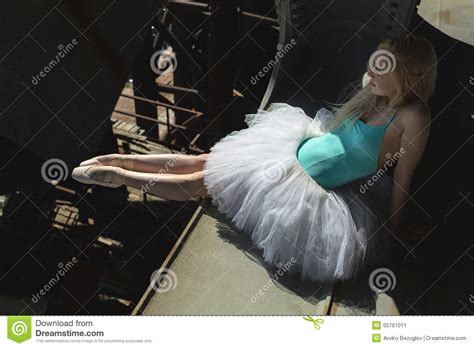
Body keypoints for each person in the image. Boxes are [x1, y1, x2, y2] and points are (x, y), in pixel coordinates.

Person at [72, 35, 438, 283]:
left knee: (200, 184)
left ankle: (120, 176)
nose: (371, 73)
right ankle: (112, 160)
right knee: (203, 162)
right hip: (289, 151)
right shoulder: (374, 98)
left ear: (406, 75)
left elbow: (402, 178)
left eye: (382, 68)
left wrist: (395, 227)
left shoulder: (413, 118)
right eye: (374, 63)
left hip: (303, 185)